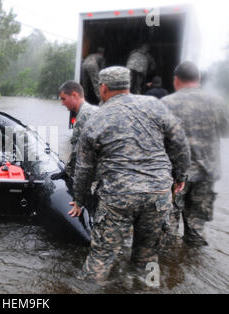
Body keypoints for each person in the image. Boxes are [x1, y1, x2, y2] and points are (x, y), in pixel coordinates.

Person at [70, 66, 190, 282]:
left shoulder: (96, 118)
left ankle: (87, 288)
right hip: (158, 194)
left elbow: (84, 169)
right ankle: (148, 288)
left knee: (101, 257)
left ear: (103, 88)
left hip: (118, 196)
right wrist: (180, 177)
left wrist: (79, 200)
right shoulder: (155, 106)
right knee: (148, 257)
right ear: (127, 85)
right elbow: (179, 143)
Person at [161, 61, 229, 246]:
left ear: (176, 80)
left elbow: (157, 139)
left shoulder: (166, 104)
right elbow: (225, 132)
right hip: (206, 174)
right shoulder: (217, 103)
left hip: (175, 176)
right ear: (198, 79)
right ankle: (193, 261)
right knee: (196, 231)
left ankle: (170, 269)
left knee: (168, 231)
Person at [58, 80, 98, 179]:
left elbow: (79, 150)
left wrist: (67, 172)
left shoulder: (85, 115)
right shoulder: (91, 111)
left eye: (64, 99)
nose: (62, 103)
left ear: (74, 95)